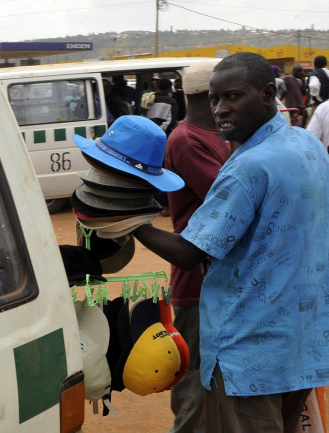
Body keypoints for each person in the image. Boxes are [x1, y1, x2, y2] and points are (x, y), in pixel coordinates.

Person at [133, 52, 329, 433]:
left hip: (248, 351)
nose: (221, 109)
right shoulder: (308, 145)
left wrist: (126, 223)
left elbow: (190, 254)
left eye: (233, 97)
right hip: (301, 341)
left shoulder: (248, 166)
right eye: (214, 98)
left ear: (269, 93)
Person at [163, 59, 230, 433]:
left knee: (213, 385)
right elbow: (232, 199)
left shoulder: (215, 135)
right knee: (195, 393)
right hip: (196, 283)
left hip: (214, 279)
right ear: (211, 94)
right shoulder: (187, 139)